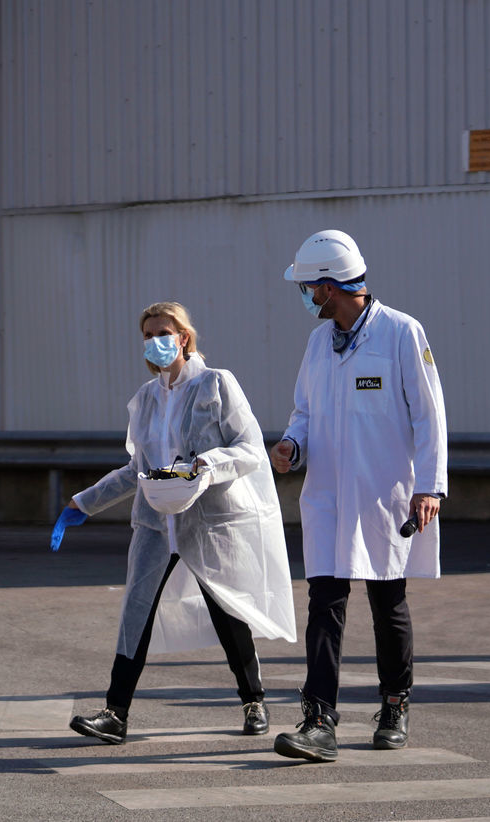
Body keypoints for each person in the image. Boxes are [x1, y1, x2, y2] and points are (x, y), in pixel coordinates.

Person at [51, 302, 297, 742]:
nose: (155, 342)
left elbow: (249, 448)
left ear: (184, 337)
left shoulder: (216, 384)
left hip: (208, 520)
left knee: (226, 610)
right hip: (155, 524)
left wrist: (205, 465)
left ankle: (254, 701)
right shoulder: (146, 399)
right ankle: (115, 713)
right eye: (147, 335)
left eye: (163, 333)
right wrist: (84, 502)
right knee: (136, 612)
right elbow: (136, 469)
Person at [267, 229, 447, 763]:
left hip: (382, 495)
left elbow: (430, 415)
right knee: (324, 602)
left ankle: (394, 705)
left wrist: (430, 486)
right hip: (327, 494)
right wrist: (292, 443)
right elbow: (304, 410)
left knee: (387, 602)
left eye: (307, 288)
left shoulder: (401, 333)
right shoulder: (318, 343)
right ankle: (319, 720)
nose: (305, 297)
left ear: (328, 287)